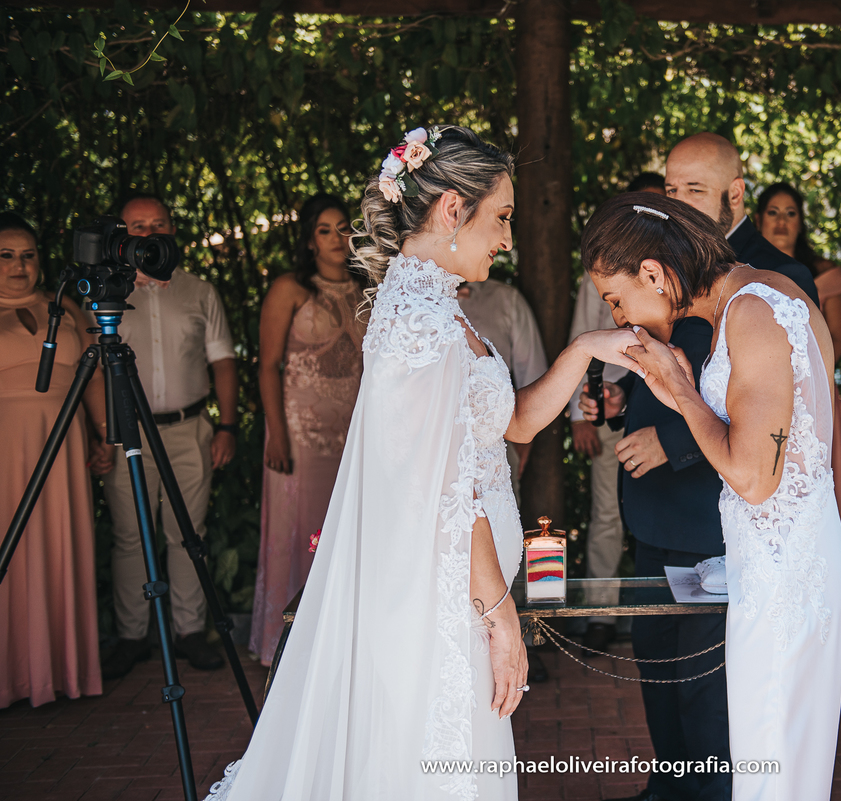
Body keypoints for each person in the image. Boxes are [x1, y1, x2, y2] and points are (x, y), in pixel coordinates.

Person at [203, 125, 640, 801]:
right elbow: (449, 491)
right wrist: (500, 618)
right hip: (443, 599)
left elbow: (511, 420)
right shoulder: (420, 325)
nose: (505, 238)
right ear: (449, 210)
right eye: (500, 218)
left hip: (458, 589)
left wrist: (584, 348)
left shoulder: (438, 310)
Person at [581, 194, 841, 801]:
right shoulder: (756, 295)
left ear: (653, 273)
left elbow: (755, 479)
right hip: (766, 564)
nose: (624, 319)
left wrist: (680, 388)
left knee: (770, 772)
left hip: (787, 578)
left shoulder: (754, 312)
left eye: (617, 300)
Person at [97, 193, 237, 679]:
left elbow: (223, 361)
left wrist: (227, 426)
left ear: (173, 231)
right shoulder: (105, 296)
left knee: (187, 535)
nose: (149, 234)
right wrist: (99, 435)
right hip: (125, 434)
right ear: (120, 234)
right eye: (138, 226)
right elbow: (92, 371)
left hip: (189, 429)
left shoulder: (199, 291)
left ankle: (189, 632)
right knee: (130, 537)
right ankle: (133, 637)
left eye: (159, 224)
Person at [250, 194, 367, 667]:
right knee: (301, 533)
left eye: (343, 228)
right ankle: (288, 648)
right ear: (308, 240)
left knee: (349, 534)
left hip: (354, 434)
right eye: (325, 229)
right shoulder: (289, 288)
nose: (337, 238)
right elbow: (268, 365)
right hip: (300, 436)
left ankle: (343, 643)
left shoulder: (368, 288)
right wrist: (276, 435)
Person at [0, 212, 106, 708]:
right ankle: (13, 676)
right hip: (6, 450)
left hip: (63, 446)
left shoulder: (68, 307)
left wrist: (105, 434)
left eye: (27, 255)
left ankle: (63, 671)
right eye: (5, 255)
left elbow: (96, 379)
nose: (18, 266)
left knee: (62, 545)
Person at [759, 181, 841, 662]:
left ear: (802, 221)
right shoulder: (743, 273)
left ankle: (825, 625)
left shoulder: (825, 276)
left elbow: (833, 345)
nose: (781, 221)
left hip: (812, 404)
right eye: (773, 212)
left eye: (791, 213)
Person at [570, 173, 658, 655]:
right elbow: (584, 335)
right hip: (609, 404)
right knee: (606, 512)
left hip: (670, 411)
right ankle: (601, 613)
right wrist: (580, 415)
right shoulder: (604, 265)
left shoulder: (682, 266)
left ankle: (663, 608)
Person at [664, 133, 819, 306]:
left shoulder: (783, 275)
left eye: (695, 190)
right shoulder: (664, 263)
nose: (677, 205)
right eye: (671, 190)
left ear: (735, 194)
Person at [457, 277, 548, 496]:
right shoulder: (412, 301)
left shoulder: (507, 300)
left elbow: (532, 370)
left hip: (497, 441)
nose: (505, 243)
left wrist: (524, 434)